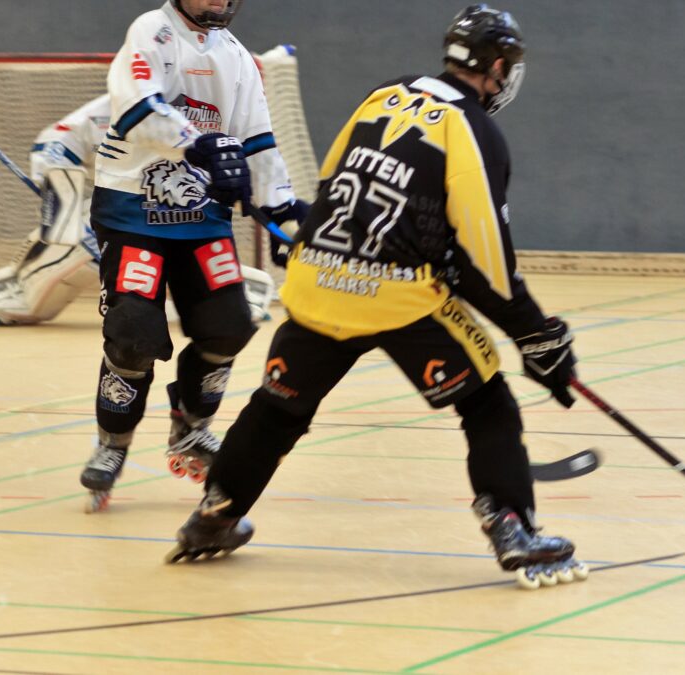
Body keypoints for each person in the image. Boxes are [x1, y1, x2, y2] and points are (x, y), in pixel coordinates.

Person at [166, 4, 588, 589]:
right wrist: (538, 336)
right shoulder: (476, 130)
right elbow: (486, 261)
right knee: (487, 403)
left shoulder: (381, 94)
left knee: (277, 407)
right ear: (495, 68)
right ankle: (512, 526)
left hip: (316, 279)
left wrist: (316, 243)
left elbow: (332, 180)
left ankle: (215, 514)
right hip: (396, 295)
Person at [79, 0, 310, 513]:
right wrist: (200, 143)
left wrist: (279, 207)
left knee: (230, 324)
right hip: (132, 209)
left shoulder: (237, 57)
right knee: (134, 331)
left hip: (200, 215)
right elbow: (137, 107)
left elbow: (257, 140)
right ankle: (112, 443)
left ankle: (191, 426)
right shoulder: (151, 32)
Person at [0, 93, 277, 327]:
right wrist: (59, 193)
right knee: (45, 283)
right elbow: (54, 144)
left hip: (181, 218)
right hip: (115, 220)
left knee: (207, 289)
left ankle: (240, 296)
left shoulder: (207, 109)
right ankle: (18, 295)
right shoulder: (104, 112)